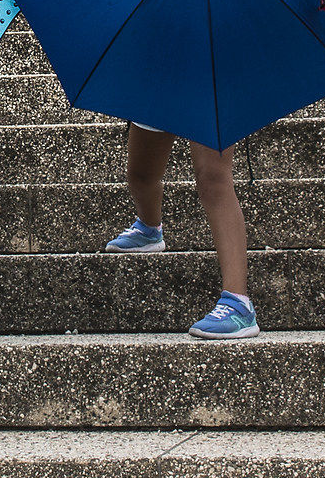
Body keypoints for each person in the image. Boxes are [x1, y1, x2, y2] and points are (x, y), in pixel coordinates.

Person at [104, 124, 260, 339]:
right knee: (140, 175)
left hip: (209, 103)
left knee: (213, 178)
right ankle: (149, 229)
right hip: (161, 100)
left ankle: (238, 304)